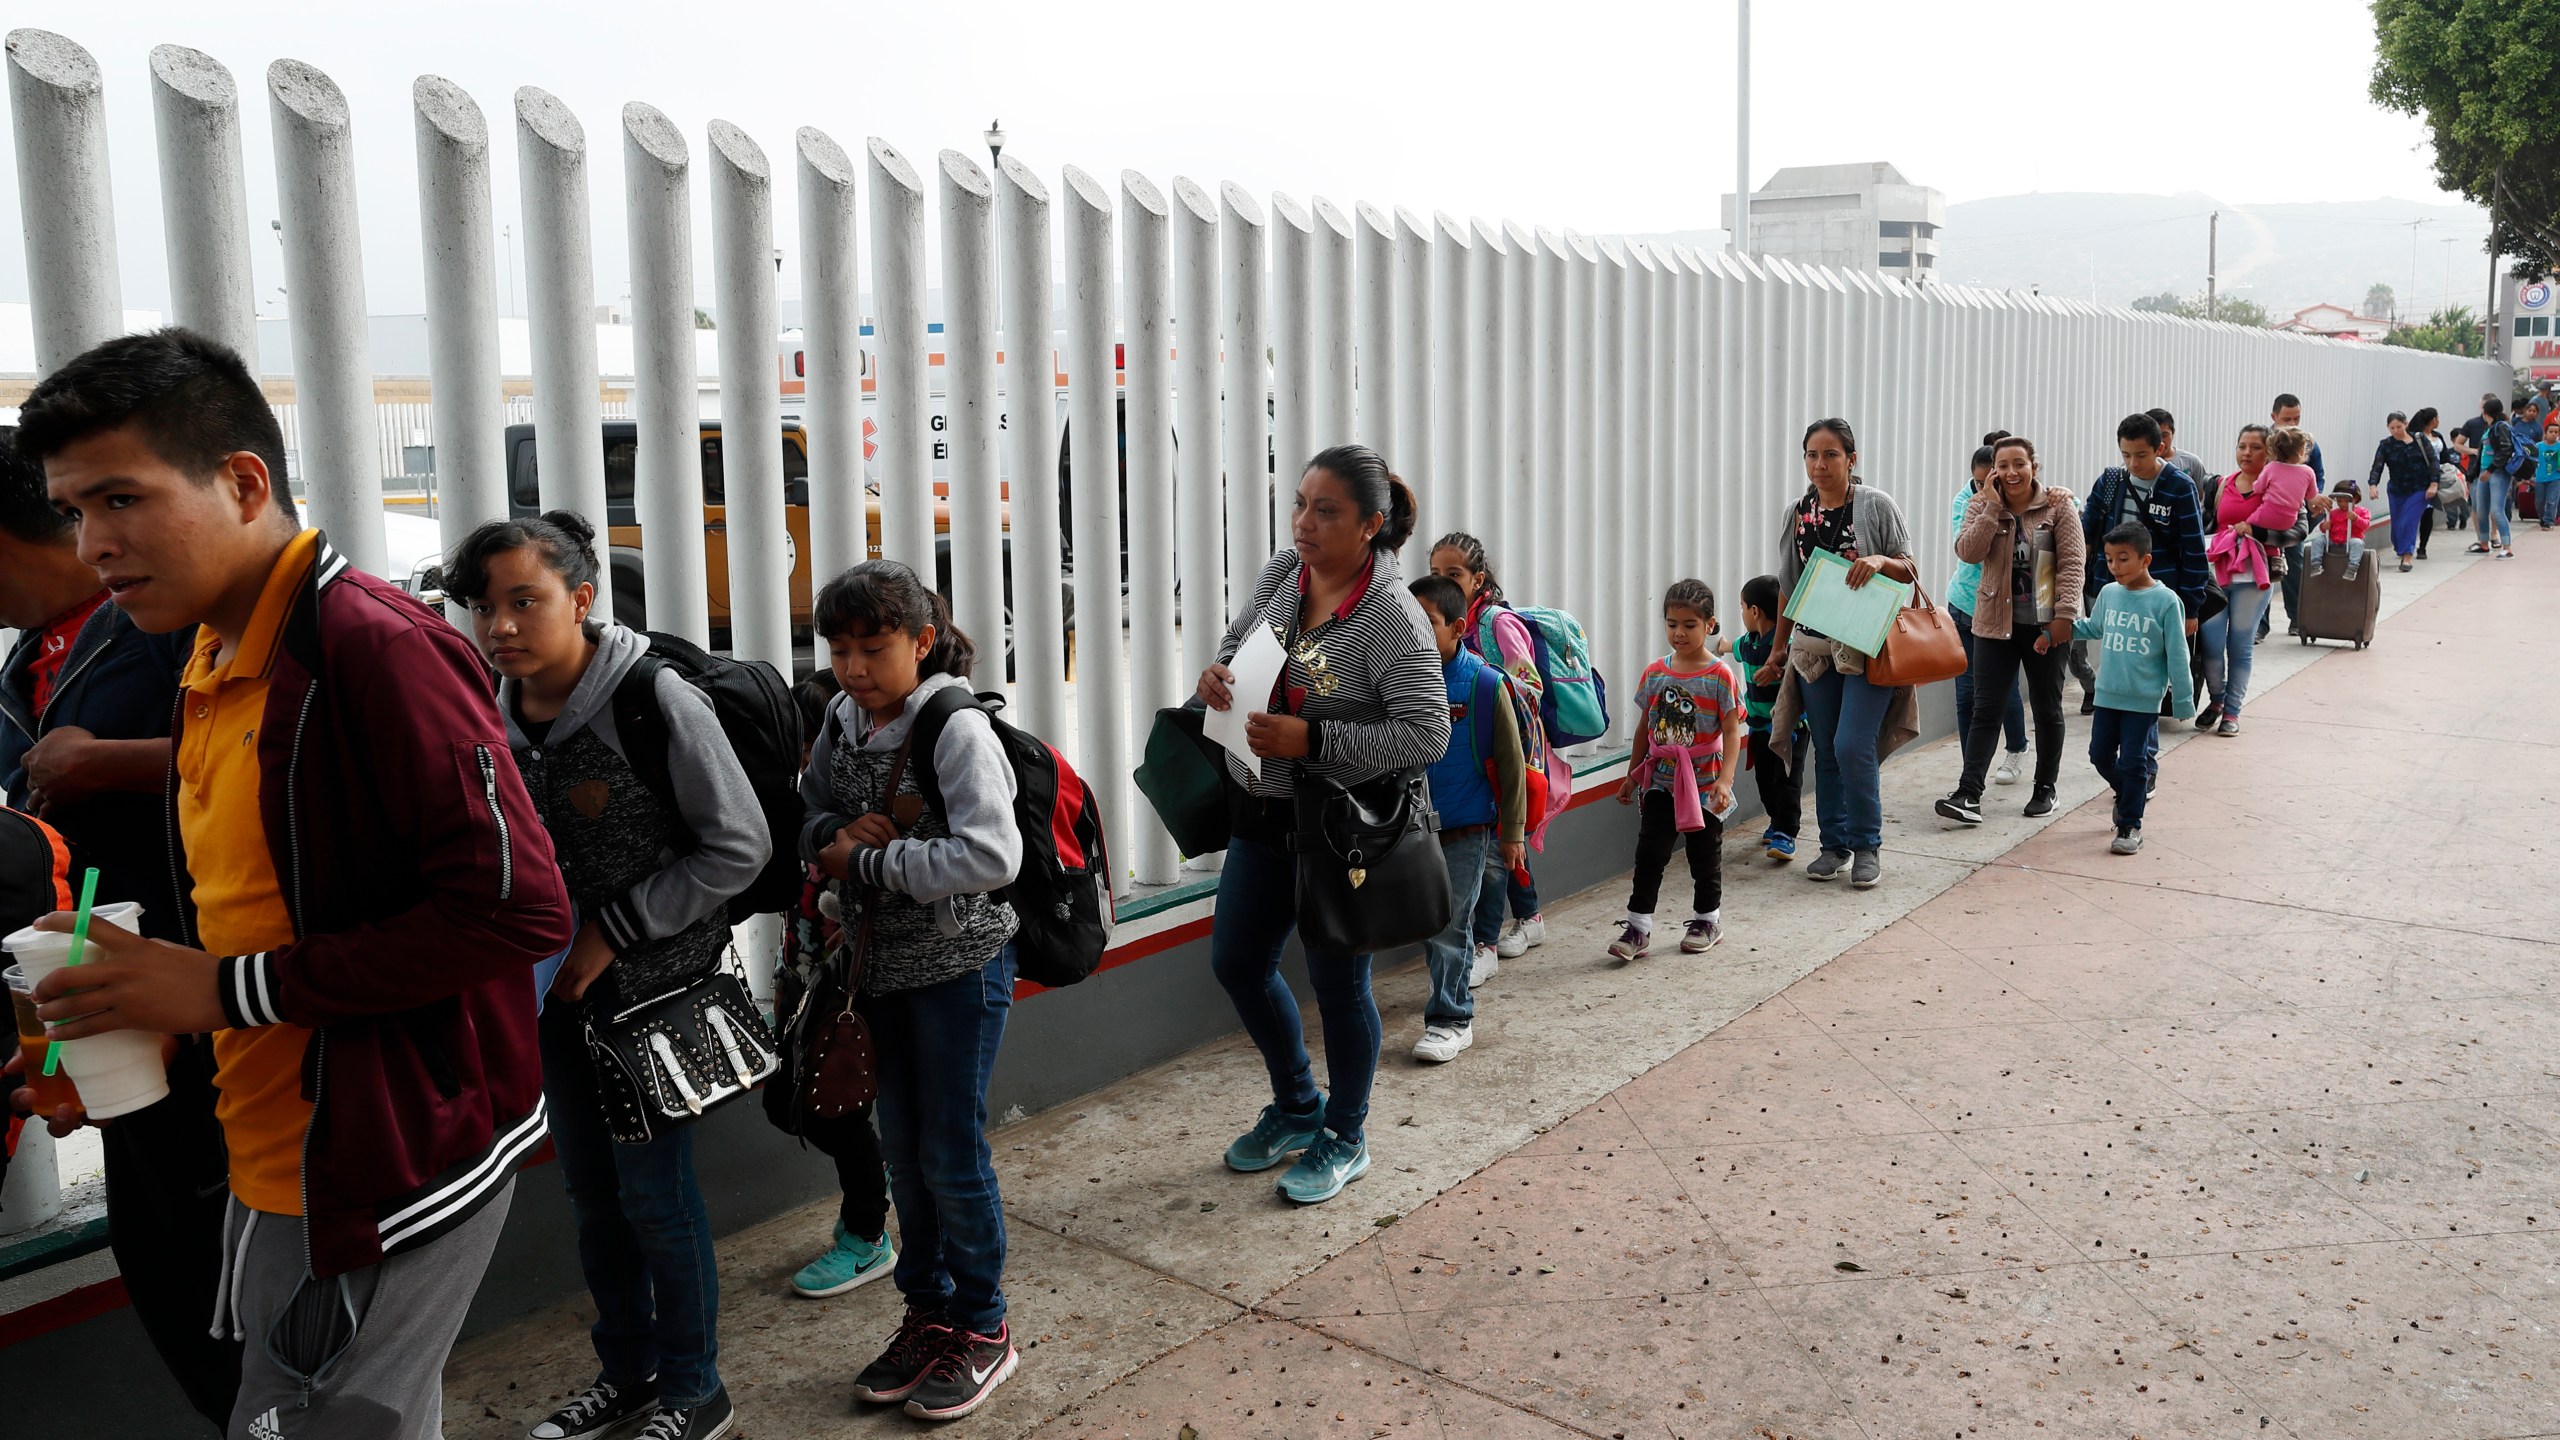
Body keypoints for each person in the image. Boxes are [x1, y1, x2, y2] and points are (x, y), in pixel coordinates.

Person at [16, 327, 570, 1440]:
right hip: (275, 1141)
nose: (96, 545)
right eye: (76, 512)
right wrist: (144, 1020)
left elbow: (518, 908)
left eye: (121, 500)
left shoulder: (372, 647)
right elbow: (252, 915)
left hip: (388, 1159)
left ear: (243, 480)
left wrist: (218, 996)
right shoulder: (213, 657)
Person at [452, 512, 766, 1440]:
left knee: (657, 1201)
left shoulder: (652, 698)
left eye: (524, 601)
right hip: (555, 1002)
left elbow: (740, 845)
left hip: (652, 1002)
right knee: (593, 1199)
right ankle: (626, 1374)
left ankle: (694, 1389)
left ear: (581, 600)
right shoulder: (498, 712)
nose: (501, 625)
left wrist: (616, 931)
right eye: (483, 607)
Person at [0, 432, 240, 1425]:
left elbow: (263, 751)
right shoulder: (30, 658)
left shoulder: (163, 622)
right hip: (108, 1018)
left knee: (244, 1291)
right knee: (166, 1272)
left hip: (215, 1007)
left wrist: (112, 763)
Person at [798, 560, 1025, 1422]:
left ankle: (985, 1326)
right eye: (840, 649)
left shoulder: (955, 730)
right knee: (902, 1152)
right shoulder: (840, 717)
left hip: (960, 973)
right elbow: (809, 807)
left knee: (951, 1155)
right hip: (877, 973)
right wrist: (828, 836)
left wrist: (872, 862)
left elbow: (993, 857)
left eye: (874, 647)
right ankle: (926, 1317)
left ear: (923, 642)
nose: (853, 667)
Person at [1195, 444, 1445, 1203]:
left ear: (1371, 525)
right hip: (1263, 811)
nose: (1303, 521)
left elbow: (1427, 732)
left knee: (1340, 984)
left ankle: (1346, 1131)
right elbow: (1241, 642)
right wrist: (1216, 672)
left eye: (1325, 510)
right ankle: (1298, 1104)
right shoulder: (1284, 572)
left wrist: (1319, 740)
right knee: (1237, 962)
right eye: (1300, 502)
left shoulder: (1391, 618)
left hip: (1343, 831)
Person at [1760, 419, 1920, 889]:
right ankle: (1834, 846)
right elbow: (1789, 587)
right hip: (1813, 649)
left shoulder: (1875, 505)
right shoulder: (1797, 512)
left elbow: (1909, 568)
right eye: (1811, 454)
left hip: (1868, 647)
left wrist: (1879, 562)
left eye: (1831, 454)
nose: (1819, 464)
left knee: (1853, 745)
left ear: (1852, 458)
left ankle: (1867, 844)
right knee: (1827, 749)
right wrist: (1777, 652)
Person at [1404, 574, 1526, 1063]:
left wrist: (1513, 833)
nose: (1414, 631)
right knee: (1431, 924)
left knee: (1452, 924)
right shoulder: (1400, 679)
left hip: (1467, 827)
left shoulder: (1484, 685)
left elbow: (1513, 764)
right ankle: (1447, 995)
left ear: (1457, 627)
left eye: (1426, 622)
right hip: (1409, 829)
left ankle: (1452, 1019)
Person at [1425, 533, 1562, 960]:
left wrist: (1487, 684)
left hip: (1509, 745)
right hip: (1470, 748)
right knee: (1500, 844)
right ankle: (1530, 915)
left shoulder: (1496, 623)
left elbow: (1531, 686)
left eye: (1454, 574)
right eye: (1435, 574)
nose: (1443, 582)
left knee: (1502, 841)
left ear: (1477, 578)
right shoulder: (1436, 620)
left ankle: (1486, 940)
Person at [1935, 434, 2084, 827]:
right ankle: (1969, 793)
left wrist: (2063, 618)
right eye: (2003, 465)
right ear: (1993, 472)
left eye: (2019, 463)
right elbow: (1967, 552)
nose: (2011, 472)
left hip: (2043, 626)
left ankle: (2045, 788)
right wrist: (1991, 510)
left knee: (2047, 707)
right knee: (1986, 708)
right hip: (1993, 623)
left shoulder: (2058, 506)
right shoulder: (1980, 505)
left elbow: (2072, 563)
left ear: (2034, 465)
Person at [1608, 580, 1741, 959]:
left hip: (1705, 786)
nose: (1679, 633)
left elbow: (1732, 731)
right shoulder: (1654, 673)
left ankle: (1707, 920)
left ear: (1710, 625)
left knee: (1704, 855)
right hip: (1661, 783)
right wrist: (1633, 776)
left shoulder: (1720, 676)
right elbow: (1643, 729)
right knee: (1649, 854)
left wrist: (1725, 780)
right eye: (1672, 624)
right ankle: (1637, 928)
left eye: (1689, 625)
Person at [2073, 413, 2209, 716]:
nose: (2133, 463)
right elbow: (2087, 530)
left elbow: (2194, 549)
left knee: (2152, 655)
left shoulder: (2179, 486)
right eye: (2126, 454)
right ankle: (2118, 706)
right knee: (2118, 650)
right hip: (2113, 587)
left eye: (2141, 455)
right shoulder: (2111, 480)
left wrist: (2191, 606)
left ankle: (2148, 714)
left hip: (2158, 591)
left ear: (2160, 448)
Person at [2071, 521, 2194, 855]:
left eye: (2123, 559)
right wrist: (2059, 629)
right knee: (2099, 755)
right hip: (2108, 694)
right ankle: (2129, 794)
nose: (2115, 567)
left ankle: (2129, 825)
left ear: (2145, 560)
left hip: (2143, 701)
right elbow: (2093, 627)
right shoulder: (2109, 594)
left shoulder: (2166, 601)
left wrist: (2183, 700)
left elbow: (2177, 654)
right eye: (2110, 560)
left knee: (2134, 762)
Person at [2195, 424, 2310, 736]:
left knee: (2240, 645)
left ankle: (2232, 711)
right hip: (2218, 571)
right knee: (2212, 642)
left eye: (2256, 447)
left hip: (2256, 575)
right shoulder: (2220, 485)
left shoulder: (2283, 486)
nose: (2247, 453)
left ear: (2270, 452)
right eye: (2242, 446)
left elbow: (2299, 531)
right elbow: (2205, 525)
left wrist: (2256, 532)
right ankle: (2217, 699)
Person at [1951, 437, 2029, 784]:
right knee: (1967, 693)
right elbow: (1968, 550)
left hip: (2001, 610)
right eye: (1982, 482)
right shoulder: (1966, 501)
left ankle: (2016, 748)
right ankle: (1973, 770)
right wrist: (1989, 507)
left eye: (1994, 481)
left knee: (2003, 689)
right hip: (1965, 606)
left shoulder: (2022, 501)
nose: (1989, 488)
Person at [1732, 575, 1807, 862]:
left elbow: (1795, 663)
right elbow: (1728, 646)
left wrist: (1776, 667)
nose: (1741, 613)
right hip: (1760, 728)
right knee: (1765, 778)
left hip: (1791, 727)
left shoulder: (1786, 645)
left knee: (1786, 779)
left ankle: (1786, 833)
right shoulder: (1748, 643)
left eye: (1741, 607)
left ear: (1754, 611)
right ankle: (1776, 821)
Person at [2267, 394, 2330, 637]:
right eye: (2287, 419)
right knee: (2262, 567)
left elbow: (2318, 476)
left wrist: (2311, 500)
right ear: (2274, 417)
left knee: (2294, 565)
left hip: (2295, 516)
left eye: (2297, 418)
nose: (2293, 424)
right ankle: (2260, 626)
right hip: (2267, 516)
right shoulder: (2264, 440)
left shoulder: (2308, 444)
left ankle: (2296, 618)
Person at [2369, 412, 2437, 572]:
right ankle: (2401, 547)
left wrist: (2434, 483)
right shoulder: (2386, 445)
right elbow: (2377, 465)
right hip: (2397, 489)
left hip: (2420, 488)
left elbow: (2434, 460)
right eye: (2392, 428)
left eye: (2399, 426)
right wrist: (2373, 485)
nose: (2395, 430)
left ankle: (2407, 556)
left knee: (2409, 521)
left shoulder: (2420, 440)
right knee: (2398, 524)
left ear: (2405, 424)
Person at [2469, 396, 2518, 559]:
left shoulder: (2501, 427)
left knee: (2497, 510)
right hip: (2484, 472)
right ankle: (2483, 543)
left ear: (2485, 411)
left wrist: (2490, 470)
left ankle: (2507, 547)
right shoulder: (2489, 428)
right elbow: (2483, 453)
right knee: (2481, 510)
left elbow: (2505, 450)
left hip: (2498, 473)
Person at [2408, 407, 2453, 560]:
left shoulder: (2437, 436)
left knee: (2428, 513)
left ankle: (2422, 547)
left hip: (2434, 479)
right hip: (2417, 480)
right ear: (2433, 420)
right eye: (2437, 417)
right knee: (2413, 514)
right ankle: (2407, 545)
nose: (2439, 420)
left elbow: (2445, 456)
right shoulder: (2414, 437)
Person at [2305, 480, 2372, 580]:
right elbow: (2323, 529)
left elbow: (2366, 525)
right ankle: (2316, 564)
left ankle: (2352, 567)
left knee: (2357, 543)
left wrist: (2356, 519)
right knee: (2318, 540)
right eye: (2340, 501)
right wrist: (2324, 526)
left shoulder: (2361, 511)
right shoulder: (2333, 513)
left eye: (2346, 501)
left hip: (2351, 539)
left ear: (2356, 499)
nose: (2343, 504)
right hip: (2333, 539)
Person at [2147, 407, 2211, 493]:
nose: (2160, 441)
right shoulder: (2135, 464)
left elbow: (2201, 498)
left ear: (2173, 432)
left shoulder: (2192, 462)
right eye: (2154, 436)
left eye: (2164, 435)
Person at [2537, 417, 2560, 530]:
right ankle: (2542, 518)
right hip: (2540, 477)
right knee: (2539, 502)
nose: (2553, 434)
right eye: (2551, 432)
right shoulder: (2538, 446)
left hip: (2555, 477)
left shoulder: (2559, 446)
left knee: (2552, 500)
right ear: (2545, 433)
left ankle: (2549, 521)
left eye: (2556, 432)